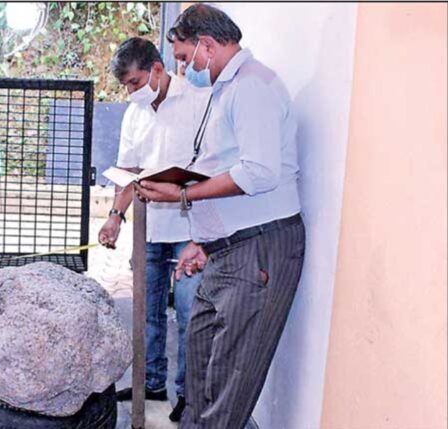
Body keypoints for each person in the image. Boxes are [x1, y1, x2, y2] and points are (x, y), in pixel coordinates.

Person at [137, 4, 306, 428]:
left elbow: (259, 172)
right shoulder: (225, 88)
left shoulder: (252, 87)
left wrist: (185, 192)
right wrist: (205, 240)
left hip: (259, 252)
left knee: (230, 384)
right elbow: (224, 166)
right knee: (200, 370)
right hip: (229, 251)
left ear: (207, 46)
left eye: (182, 57)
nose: (182, 68)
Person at [98, 37, 206, 423]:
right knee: (147, 310)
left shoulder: (197, 103)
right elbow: (126, 170)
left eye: (134, 82)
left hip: (189, 226)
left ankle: (187, 394)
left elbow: (209, 166)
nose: (130, 92)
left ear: (156, 70)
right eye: (126, 86)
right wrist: (115, 215)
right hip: (148, 226)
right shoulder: (135, 113)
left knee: (191, 312)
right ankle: (150, 382)